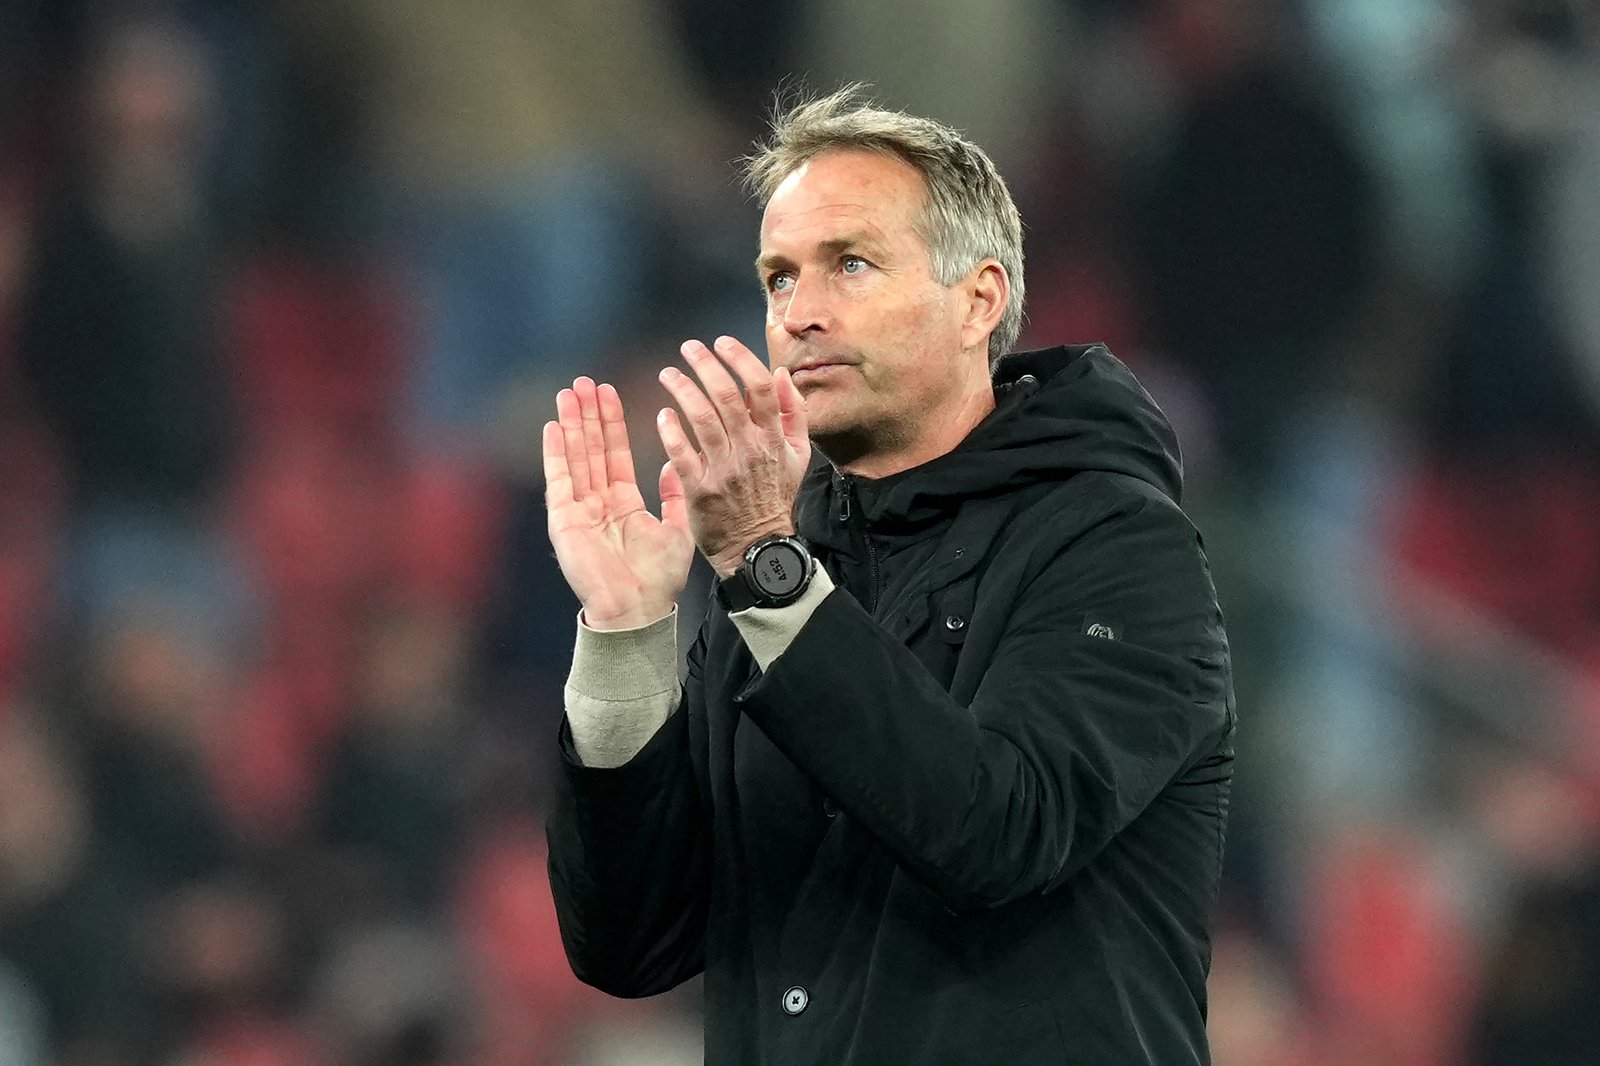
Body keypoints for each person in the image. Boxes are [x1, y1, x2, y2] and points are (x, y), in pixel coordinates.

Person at [541, 86, 1235, 1065]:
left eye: (850, 264)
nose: (801, 314)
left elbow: (999, 830)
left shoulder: (1116, 543)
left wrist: (763, 572)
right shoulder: (783, 558)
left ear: (979, 301)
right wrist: (627, 634)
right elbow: (632, 942)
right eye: (778, 278)